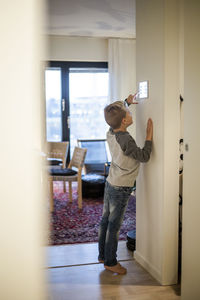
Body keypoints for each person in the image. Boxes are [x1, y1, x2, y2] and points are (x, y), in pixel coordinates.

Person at [98, 94, 153, 275]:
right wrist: (149, 137)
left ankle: (102, 255)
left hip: (110, 182)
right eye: (128, 112)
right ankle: (111, 262)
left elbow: (115, 116)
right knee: (114, 225)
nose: (130, 113)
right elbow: (144, 156)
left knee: (105, 220)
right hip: (121, 187)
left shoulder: (111, 132)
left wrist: (126, 102)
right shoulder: (127, 141)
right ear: (124, 121)